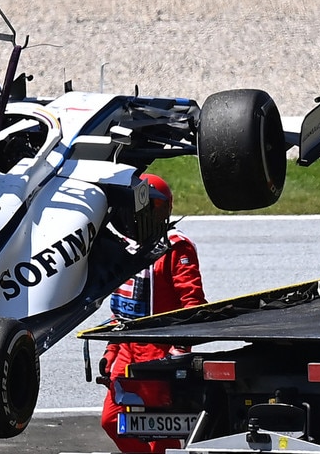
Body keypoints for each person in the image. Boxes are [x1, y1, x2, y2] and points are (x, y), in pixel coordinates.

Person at [99, 174, 208, 454]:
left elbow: (193, 303)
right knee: (111, 420)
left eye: (154, 208)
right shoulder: (122, 247)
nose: (146, 215)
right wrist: (111, 351)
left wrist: (180, 349)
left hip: (161, 353)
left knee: (163, 433)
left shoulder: (176, 247)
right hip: (128, 349)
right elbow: (120, 311)